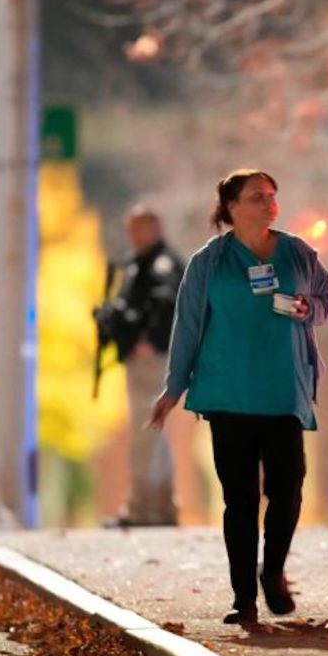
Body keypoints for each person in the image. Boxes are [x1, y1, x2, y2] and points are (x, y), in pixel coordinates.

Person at [147, 169, 328, 625]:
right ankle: (243, 599)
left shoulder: (298, 252)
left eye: (273, 196)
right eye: (258, 197)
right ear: (232, 206)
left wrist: (310, 308)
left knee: (288, 488)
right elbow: (188, 325)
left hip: (283, 392)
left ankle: (271, 572)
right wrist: (174, 388)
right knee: (240, 500)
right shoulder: (209, 263)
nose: (270, 204)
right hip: (227, 393)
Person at [96, 205, 184, 527]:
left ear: (154, 228)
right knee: (150, 435)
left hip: (153, 360)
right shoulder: (139, 264)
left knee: (146, 434)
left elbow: (171, 305)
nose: (132, 236)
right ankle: (157, 507)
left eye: (138, 228)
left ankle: (144, 508)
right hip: (141, 359)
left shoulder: (161, 265)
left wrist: (150, 340)